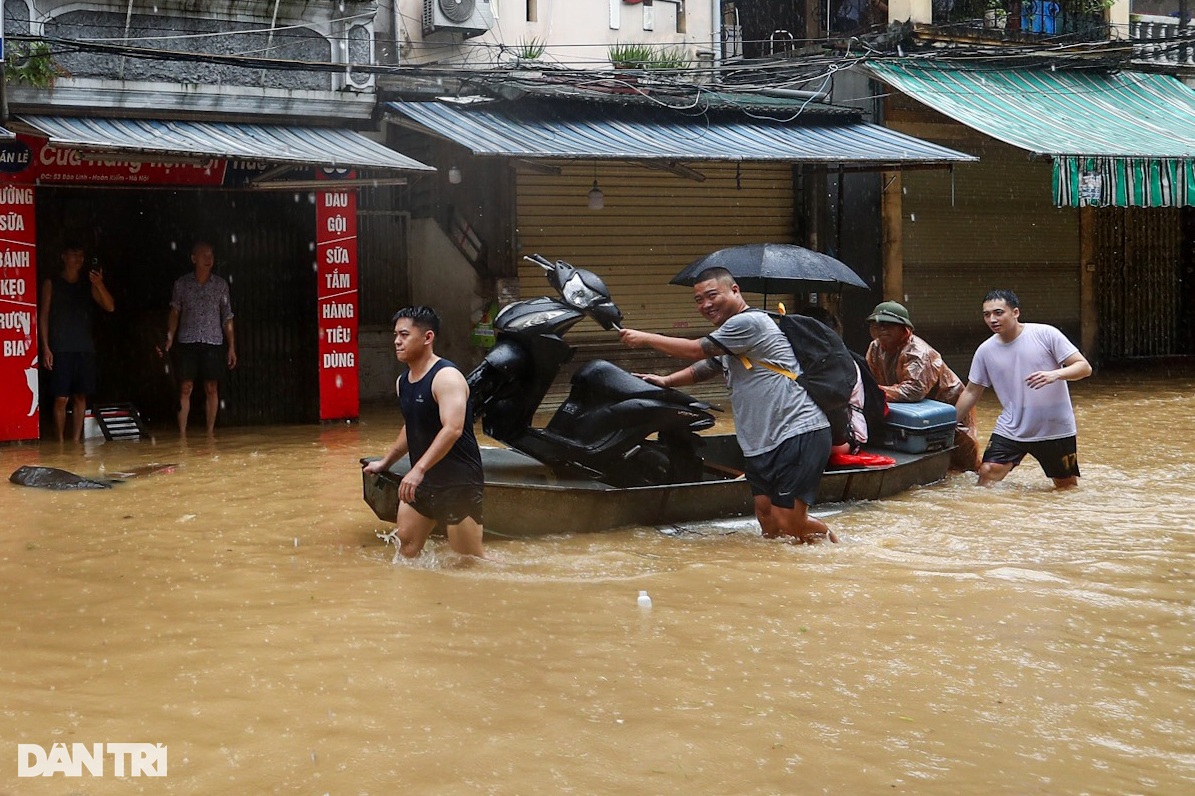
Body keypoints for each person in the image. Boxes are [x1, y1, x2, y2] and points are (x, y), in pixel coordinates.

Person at [619, 267, 836, 545]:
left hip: (796, 431)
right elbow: (706, 366)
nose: (706, 305)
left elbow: (697, 349)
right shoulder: (731, 337)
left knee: (789, 521)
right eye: (698, 300)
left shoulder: (749, 323)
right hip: (761, 440)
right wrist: (666, 381)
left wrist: (645, 338)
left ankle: (837, 553)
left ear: (735, 291)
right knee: (768, 520)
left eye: (712, 295)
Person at [362, 306, 485, 559]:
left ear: (428, 337)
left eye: (404, 335)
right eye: (396, 335)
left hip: (457, 482)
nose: (397, 341)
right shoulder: (403, 382)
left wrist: (417, 469)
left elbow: (453, 428)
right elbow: (412, 426)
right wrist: (386, 462)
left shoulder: (446, 377)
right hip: (423, 481)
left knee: (468, 560)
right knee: (405, 547)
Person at [953, 290, 1092, 488]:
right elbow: (972, 391)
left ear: (1015, 312)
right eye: (987, 315)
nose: (992, 319)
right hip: (1011, 426)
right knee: (987, 472)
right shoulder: (985, 350)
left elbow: (1084, 367)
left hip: (1054, 427)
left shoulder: (1046, 334)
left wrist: (1055, 374)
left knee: (1065, 487)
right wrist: (949, 424)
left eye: (998, 313)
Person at [864, 300, 980, 472]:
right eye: (878, 325)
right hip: (911, 410)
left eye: (889, 325)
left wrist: (875, 392)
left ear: (905, 329)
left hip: (950, 407)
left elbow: (913, 391)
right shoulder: (875, 347)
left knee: (963, 465)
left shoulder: (918, 352)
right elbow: (869, 380)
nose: (882, 330)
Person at [37, 239, 115, 442]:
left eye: (81, 254)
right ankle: (60, 441)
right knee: (61, 398)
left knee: (81, 397)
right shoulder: (52, 283)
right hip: (61, 348)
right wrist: (45, 346)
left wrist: (99, 284)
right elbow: (43, 316)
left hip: (84, 348)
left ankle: (75, 441)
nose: (78, 258)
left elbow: (110, 307)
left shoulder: (87, 284)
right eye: (73, 254)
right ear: (63, 256)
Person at [165, 240, 236, 437]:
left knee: (211, 387)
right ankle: (182, 434)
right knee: (185, 387)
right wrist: (169, 337)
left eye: (211, 255)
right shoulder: (182, 284)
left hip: (213, 341)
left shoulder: (220, 285)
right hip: (188, 340)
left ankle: (210, 432)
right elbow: (174, 311)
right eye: (204, 255)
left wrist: (231, 347)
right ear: (193, 258)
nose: (208, 259)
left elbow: (227, 316)